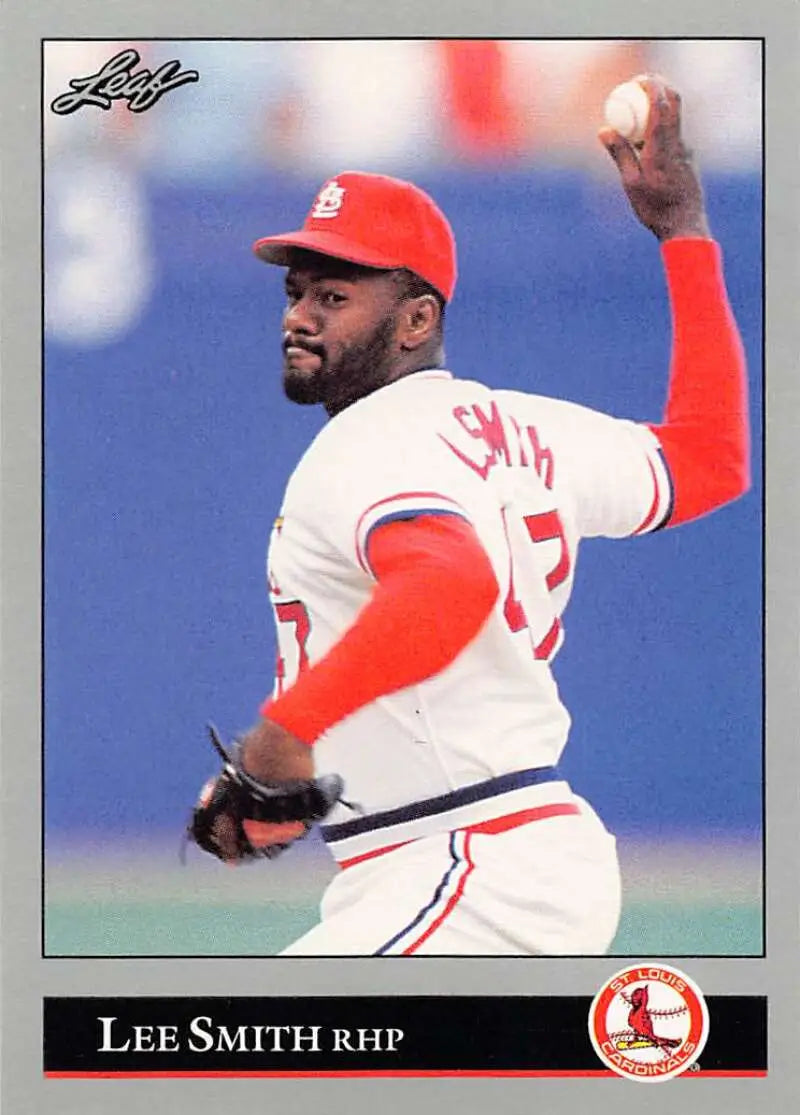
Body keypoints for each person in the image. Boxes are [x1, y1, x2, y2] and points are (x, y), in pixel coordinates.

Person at [193, 76, 749, 955]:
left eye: (334, 298)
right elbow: (709, 461)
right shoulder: (524, 428)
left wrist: (285, 730)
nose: (300, 317)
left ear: (416, 320)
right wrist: (684, 236)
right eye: (297, 292)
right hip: (474, 857)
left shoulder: (375, 438)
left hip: (473, 862)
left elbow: (452, 581)